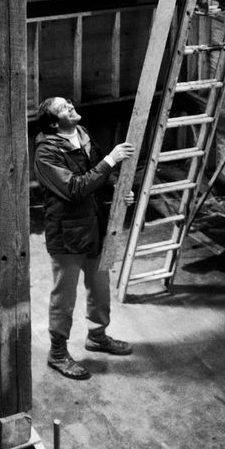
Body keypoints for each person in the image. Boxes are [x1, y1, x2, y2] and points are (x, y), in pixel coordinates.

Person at [34, 95, 135, 380]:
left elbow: (100, 177)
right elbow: (75, 188)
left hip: (95, 227)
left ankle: (98, 336)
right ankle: (57, 353)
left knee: (100, 289)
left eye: (68, 103)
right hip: (66, 235)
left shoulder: (83, 135)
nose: (70, 106)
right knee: (64, 298)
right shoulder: (46, 153)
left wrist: (118, 188)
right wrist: (110, 160)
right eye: (62, 107)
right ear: (54, 123)